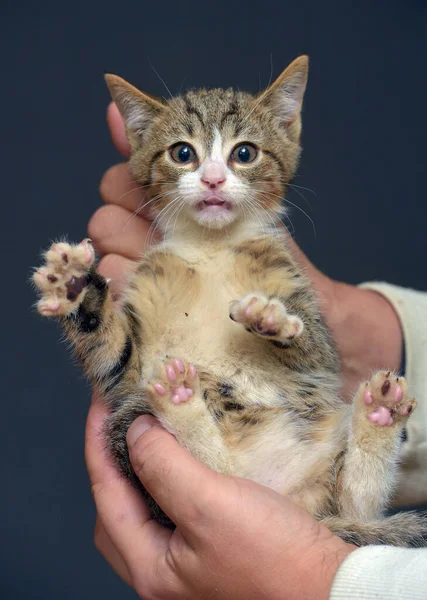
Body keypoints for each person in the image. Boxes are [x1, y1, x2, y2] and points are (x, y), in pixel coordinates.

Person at [85, 103, 427, 599]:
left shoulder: (268, 253)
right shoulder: (161, 261)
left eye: (243, 154)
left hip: (285, 449)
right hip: (247, 441)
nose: (215, 177)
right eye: (185, 155)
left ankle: (361, 445)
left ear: (287, 134)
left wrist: (313, 573)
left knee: (333, 471)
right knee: (144, 416)